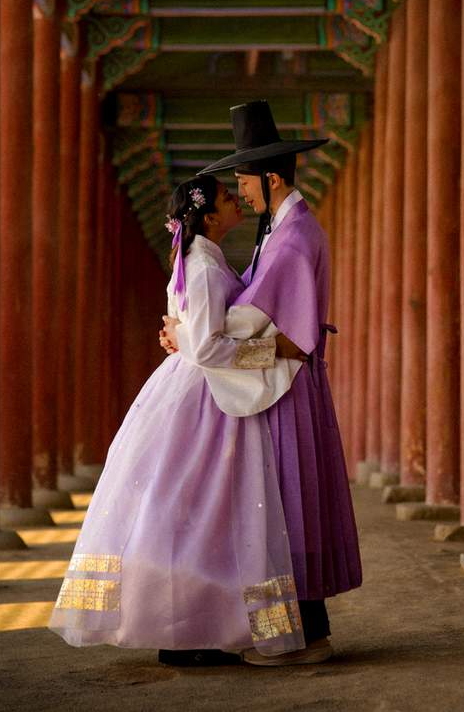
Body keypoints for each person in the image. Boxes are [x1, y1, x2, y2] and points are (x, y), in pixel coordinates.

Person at [48, 175, 309, 665]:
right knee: (207, 510)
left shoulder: (198, 260)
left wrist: (182, 336)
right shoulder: (205, 265)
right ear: (210, 216)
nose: (237, 201)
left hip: (189, 389)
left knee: (190, 510)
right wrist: (273, 351)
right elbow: (208, 346)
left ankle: (192, 625)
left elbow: (193, 334)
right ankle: (196, 628)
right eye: (228, 198)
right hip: (205, 396)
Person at [162, 100, 363, 666]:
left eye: (243, 182)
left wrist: (199, 343)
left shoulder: (295, 238)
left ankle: (297, 638)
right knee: (277, 509)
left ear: (271, 178)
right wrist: (188, 329)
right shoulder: (278, 230)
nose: (240, 192)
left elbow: (293, 340)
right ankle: (289, 631)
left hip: (288, 389)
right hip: (277, 385)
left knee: (286, 508)